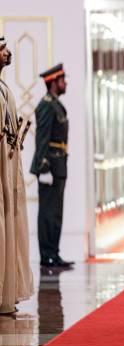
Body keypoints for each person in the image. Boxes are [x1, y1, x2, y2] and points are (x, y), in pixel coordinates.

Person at [0, 35, 34, 314]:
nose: (8, 52)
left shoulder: (4, 89)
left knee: (10, 227)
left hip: (8, 172)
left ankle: (6, 293)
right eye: (2, 49)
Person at [30, 63, 73, 268]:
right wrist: (43, 166)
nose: (65, 83)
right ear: (54, 82)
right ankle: (46, 254)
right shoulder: (47, 105)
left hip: (59, 165)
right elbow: (42, 138)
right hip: (50, 166)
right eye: (62, 80)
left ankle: (53, 253)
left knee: (55, 213)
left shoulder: (56, 104)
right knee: (47, 213)